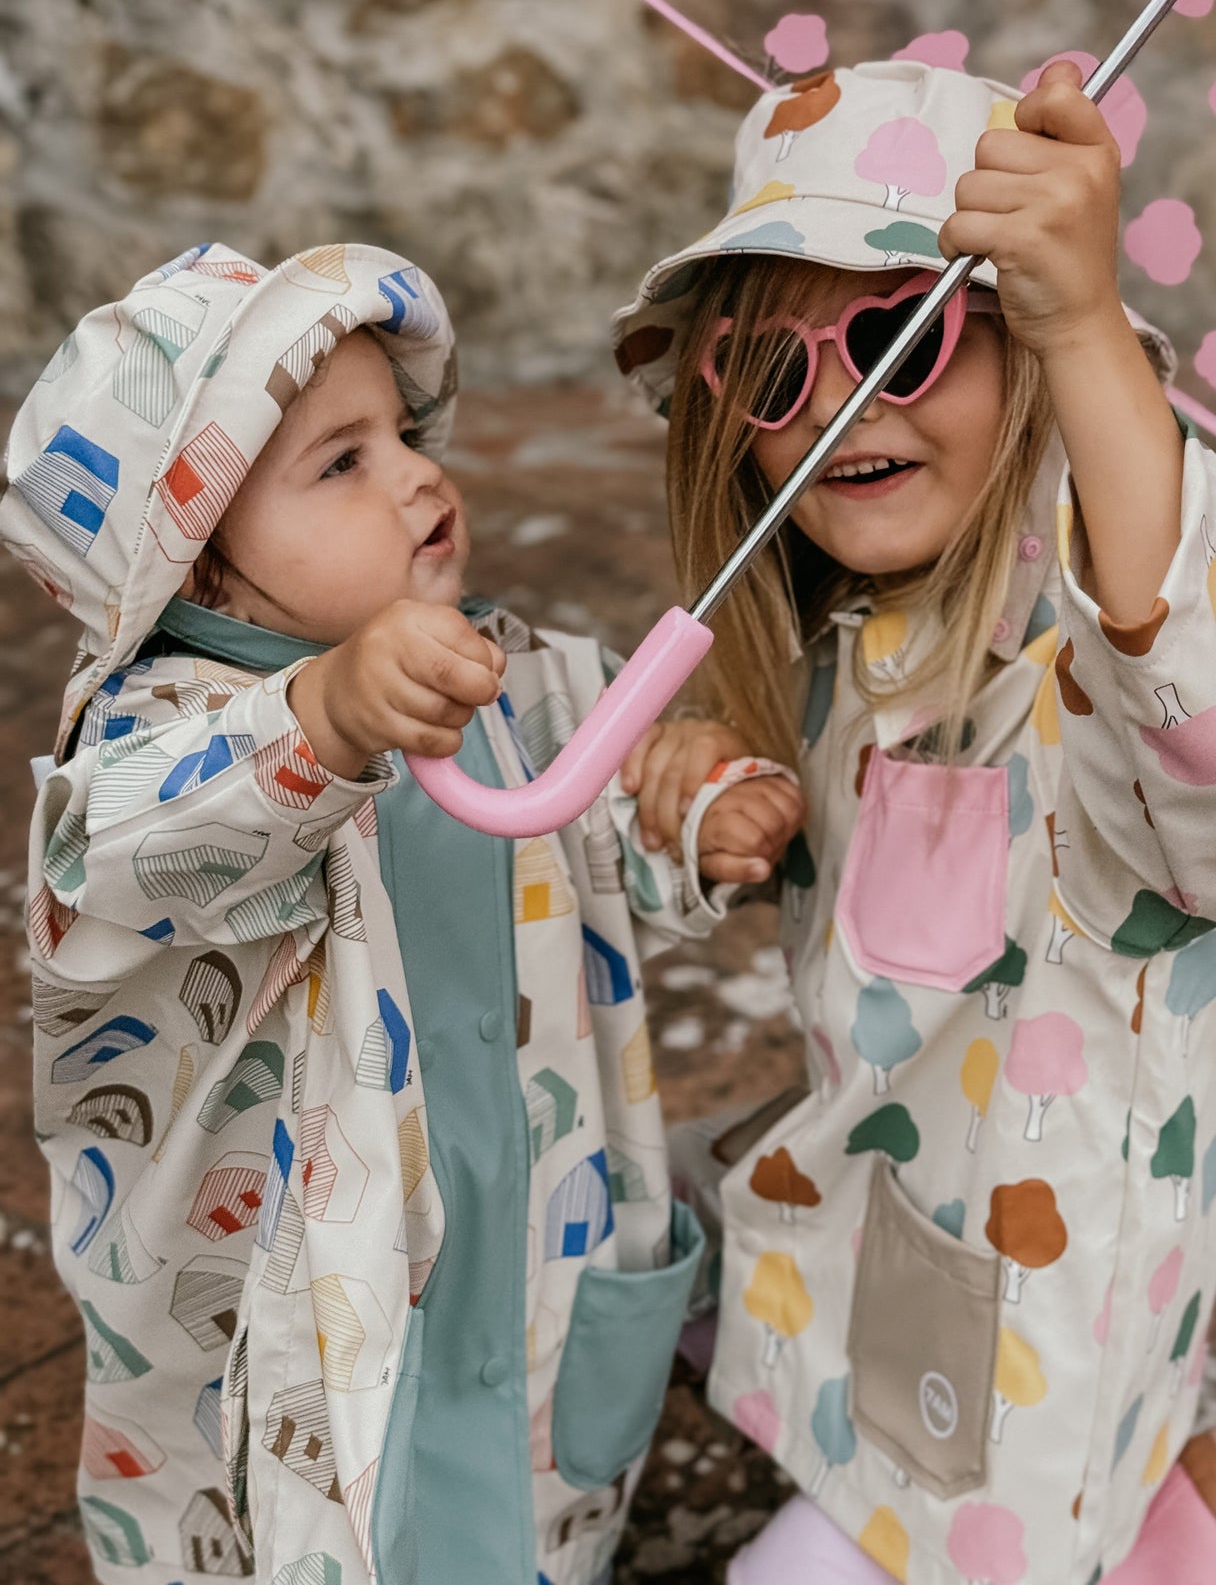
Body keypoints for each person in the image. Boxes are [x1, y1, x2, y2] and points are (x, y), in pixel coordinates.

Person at [611, 60, 1216, 1584]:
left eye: (901, 336)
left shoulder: (1107, 623)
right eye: (768, 372)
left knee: (881, 1539)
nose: (837, 406)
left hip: (1032, 1292)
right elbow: (786, 835)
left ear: (1025, 353)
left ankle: (1156, 1546)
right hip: (870, 1178)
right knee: (629, 1212)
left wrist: (1082, 324)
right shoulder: (839, 628)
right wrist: (706, 793)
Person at [2, 242, 801, 1585]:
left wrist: (702, 807)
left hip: (513, 1189)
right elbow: (129, 853)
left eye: (402, 433)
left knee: (512, 1456)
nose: (420, 474)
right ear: (198, 575)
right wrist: (324, 713)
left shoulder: (514, 669)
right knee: (325, 1515)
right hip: (307, 1270)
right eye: (342, 463)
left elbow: (614, 793)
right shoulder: (165, 738)